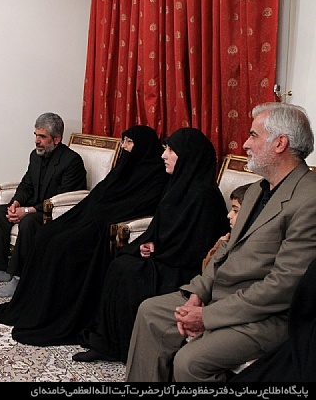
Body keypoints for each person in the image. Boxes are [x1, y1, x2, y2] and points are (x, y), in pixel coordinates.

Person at [126, 102, 316, 382]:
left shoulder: (309, 200)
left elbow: (283, 286)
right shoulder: (257, 189)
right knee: (150, 312)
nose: (245, 144)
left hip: (266, 317)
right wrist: (198, 292)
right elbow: (227, 247)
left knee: (190, 362)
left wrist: (208, 316)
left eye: (253, 135)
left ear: (280, 143)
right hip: (221, 297)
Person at [0, 125, 170, 342]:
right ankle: (33, 302)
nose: (123, 146)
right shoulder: (124, 166)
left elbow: (138, 205)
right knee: (47, 235)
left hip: (104, 227)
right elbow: (100, 194)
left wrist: (99, 214)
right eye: (123, 141)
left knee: (61, 244)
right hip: (89, 218)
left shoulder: (156, 175)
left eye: (128, 142)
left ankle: (53, 311)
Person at [72, 127, 229, 363]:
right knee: (120, 262)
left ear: (187, 156)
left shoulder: (205, 196)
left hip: (183, 269)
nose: (163, 155)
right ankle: (107, 342)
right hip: (165, 257)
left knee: (126, 271)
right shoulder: (176, 185)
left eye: (171, 151)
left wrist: (160, 251)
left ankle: (120, 346)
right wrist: (148, 243)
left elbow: (199, 249)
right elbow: (160, 228)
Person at [0, 112, 87, 289]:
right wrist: (16, 203)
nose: (36, 141)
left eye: (42, 136)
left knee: (28, 222)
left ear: (57, 139)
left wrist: (27, 211)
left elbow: (62, 199)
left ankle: (19, 278)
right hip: (36, 207)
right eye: (36, 135)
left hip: (56, 213)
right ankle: (1, 268)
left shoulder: (72, 161)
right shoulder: (35, 155)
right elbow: (26, 184)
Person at [201, 183, 251, 271]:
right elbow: (207, 270)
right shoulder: (227, 240)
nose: (229, 215)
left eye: (236, 210)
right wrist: (219, 247)